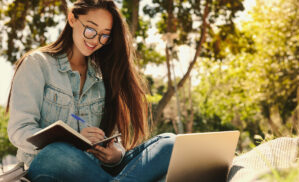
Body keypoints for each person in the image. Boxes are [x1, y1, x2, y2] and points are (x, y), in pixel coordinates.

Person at [6, 0, 175, 181]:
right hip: (49, 165)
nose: (95, 40)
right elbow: (19, 130)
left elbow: (112, 138)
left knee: (169, 143)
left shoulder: (103, 75)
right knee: (57, 152)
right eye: (91, 29)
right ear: (72, 19)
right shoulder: (37, 64)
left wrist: (115, 154)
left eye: (104, 35)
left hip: (94, 171)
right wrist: (73, 140)